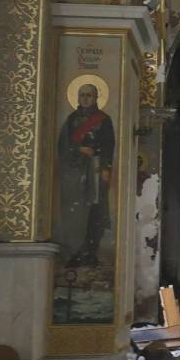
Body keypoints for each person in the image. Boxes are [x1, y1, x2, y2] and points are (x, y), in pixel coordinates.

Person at [56, 84, 115, 267]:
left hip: (96, 170)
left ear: (96, 97)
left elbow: (108, 145)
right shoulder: (71, 120)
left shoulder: (104, 120)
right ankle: (75, 251)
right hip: (75, 173)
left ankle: (90, 252)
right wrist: (79, 148)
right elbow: (62, 146)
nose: (85, 98)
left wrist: (105, 168)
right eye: (82, 95)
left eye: (89, 95)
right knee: (76, 212)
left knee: (96, 211)